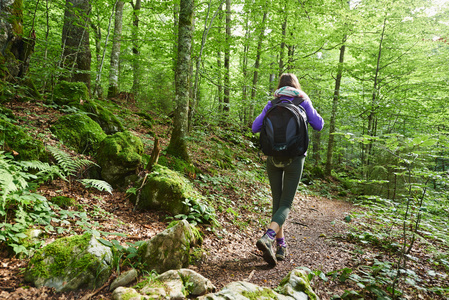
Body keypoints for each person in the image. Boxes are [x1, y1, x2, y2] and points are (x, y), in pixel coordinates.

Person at [251, 73, 324, 266]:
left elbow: (255, 127)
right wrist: (307, 104)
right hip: (295, 158)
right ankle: (268, 238)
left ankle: (281, 246)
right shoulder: (302, 101)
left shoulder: (272, 103)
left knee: (278, 201)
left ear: (280, 86)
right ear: (296, 86)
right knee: (286, 204)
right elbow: (319, 125)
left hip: (273, 158)